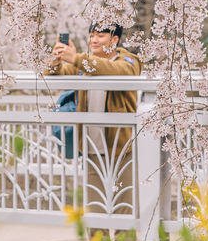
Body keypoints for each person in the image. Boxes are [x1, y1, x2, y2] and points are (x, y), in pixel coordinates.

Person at [46, 23, 142, 215]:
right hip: (91, 146)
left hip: (121, 147)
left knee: (124, 206)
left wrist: (77, 59)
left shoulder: (129, 60)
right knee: (95, 208)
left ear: (114, 40)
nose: (94, 40)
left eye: (100, 36)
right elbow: (54, 75)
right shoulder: (85, 63)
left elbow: (118, 71)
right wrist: (56, 61)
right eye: (92, 36)